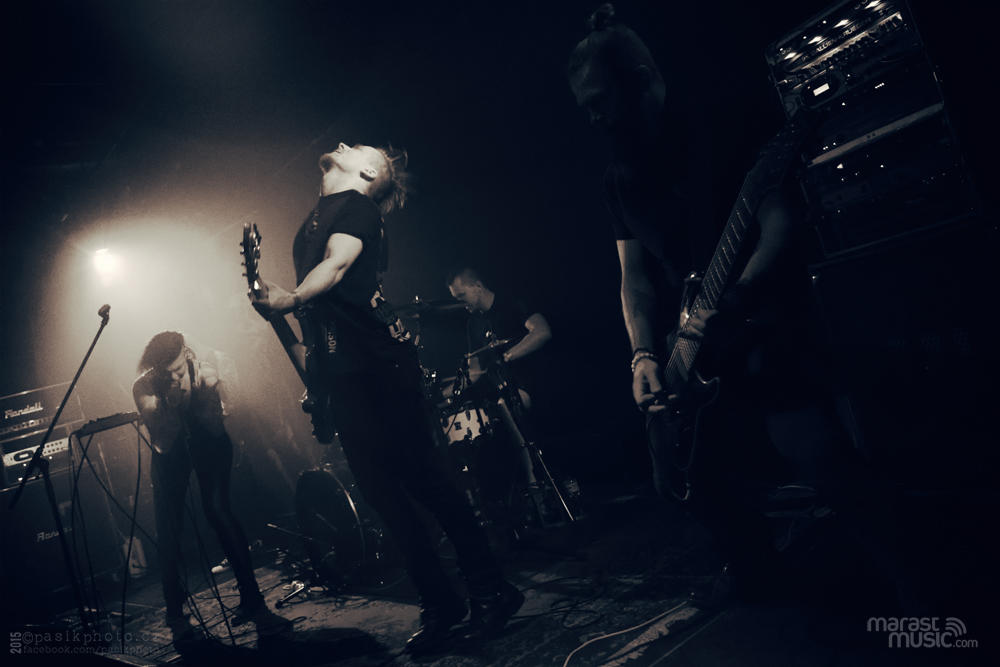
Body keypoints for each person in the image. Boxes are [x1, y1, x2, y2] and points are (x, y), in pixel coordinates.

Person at [567, 4, 916, 605]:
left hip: (763, 321)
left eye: (601, 101)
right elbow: (634, 279)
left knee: (821, 459)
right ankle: (756, 572)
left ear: (642, 79)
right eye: (585, 107)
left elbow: (778, 223)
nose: (594, 117)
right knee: (682, 474)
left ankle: (923, 593)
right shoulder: (617, 179)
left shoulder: (719, 127)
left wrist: (742, 293)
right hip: (690, 342)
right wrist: (643, 355)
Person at [250, 141, 523, 655]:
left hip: (380, 371)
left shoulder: (356, 208)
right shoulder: (314, 219)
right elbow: (314, 333)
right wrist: (279, 315)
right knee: (388, 503)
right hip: (346, 381)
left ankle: (492, 591)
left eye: (357, 147)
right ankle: (441, 604)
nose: (343, 143)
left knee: (431, 483)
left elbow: (336, 266)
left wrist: (292, 295)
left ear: (369, 170)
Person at [132, 331, 271, 639]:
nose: (173, 376)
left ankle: (252, 597)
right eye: (166, 372)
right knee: (169, 527)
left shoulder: (205, 372)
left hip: (208, 441)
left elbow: (217, 427)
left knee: (218, 510)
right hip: (169, 452)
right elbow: (163, 437)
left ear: (186, 353)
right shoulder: (143, 386)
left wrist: (206, 393)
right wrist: (168, 402)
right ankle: (174, 610)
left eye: (177, 369)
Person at [446, 267, 555, 521]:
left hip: (536, 382)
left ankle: (534, 485)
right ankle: (508, 502)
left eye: (462, 296)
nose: (461, 303)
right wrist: (445, 392)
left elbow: (542, 331)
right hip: (503, 391)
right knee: (491, 418)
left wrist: (506, 357)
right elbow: (474, 371)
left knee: (504, 406)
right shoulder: (473, 323)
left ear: (477, 286)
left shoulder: (512, 303)